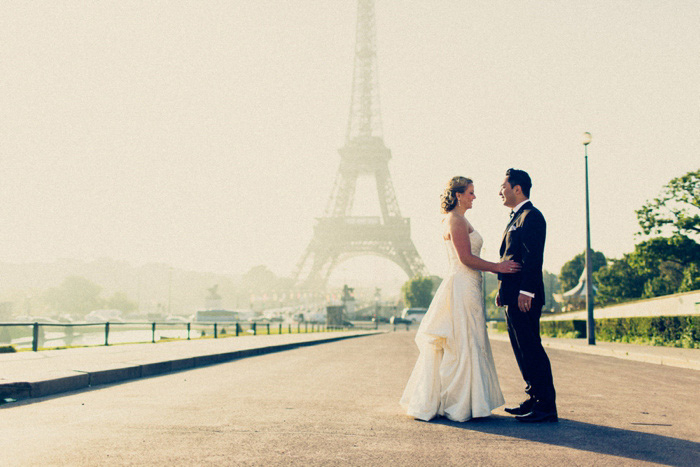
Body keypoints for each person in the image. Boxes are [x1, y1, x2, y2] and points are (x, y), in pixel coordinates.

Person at [400, 176, 521, 422]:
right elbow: (465, 258)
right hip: (463, 285)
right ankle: (462, 403)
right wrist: (499, 267)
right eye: (471, 192)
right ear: (458, 195)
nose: (474, 196)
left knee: (469, 340)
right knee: (464, 341)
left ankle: (465, 401)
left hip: (470, 285)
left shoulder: (460, 219)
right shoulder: (455, 220)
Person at [497, 168, 557, 423]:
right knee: (522, 350)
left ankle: (546, 406)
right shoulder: (517, 217)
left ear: (517, 188)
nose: (500, 191)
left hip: (524, 297)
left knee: (531, 349)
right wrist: (503, 291)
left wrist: (526, 291)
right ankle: (534, 397)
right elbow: (509, 257)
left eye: (503, 186)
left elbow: (533, 258)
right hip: (514, 295)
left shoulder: (531, 216)